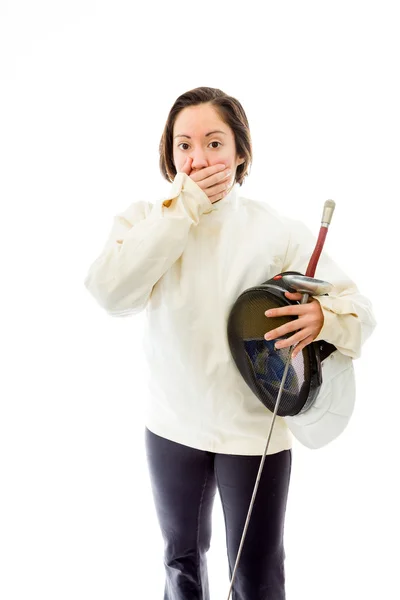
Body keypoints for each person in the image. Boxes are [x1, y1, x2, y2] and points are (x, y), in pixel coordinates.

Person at [84, 87, 376, 599]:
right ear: (169, 155)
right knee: (181, 563)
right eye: (185, 145)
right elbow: (110, 291)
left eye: (215, 143)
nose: (199, 158)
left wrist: (321, 318)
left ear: (240, 152)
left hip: (252, 433)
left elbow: (358, 310)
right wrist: (185, 208)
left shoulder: (277, 230)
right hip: (172, 425)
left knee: (257, 573)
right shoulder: (147, 221)